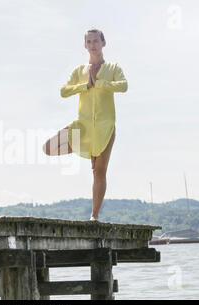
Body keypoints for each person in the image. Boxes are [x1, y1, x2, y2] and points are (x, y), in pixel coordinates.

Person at [42, 28, 128, 221]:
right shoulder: (79, 71)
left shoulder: (113, 68)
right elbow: (63, 91)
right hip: (83, 127)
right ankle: (87, 150)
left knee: (99, 171)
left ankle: (94, 216)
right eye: (88, 42)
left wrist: (100, 83)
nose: (92, 45)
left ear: (103, 43)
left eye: (96, 41)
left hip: (105, 128)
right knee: (48, 147)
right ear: (85, 45)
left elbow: (124, 85)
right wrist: (85, 85)